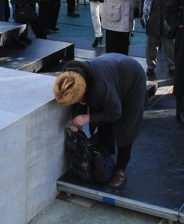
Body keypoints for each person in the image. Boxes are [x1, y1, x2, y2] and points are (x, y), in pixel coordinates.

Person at [54, 54, 147, 189]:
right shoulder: (73, 79)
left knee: (126, 127)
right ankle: (104, 157)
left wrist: (89, 118)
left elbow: (115, 112)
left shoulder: (99, 86)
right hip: (113, 74)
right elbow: (78, 100)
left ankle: (120, 169)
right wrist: (75, 120)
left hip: (132, 79)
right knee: (104, 120)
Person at [141, 0, 182, 77]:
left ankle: (172, 65)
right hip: (152, 13)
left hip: (166, 14)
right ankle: (150, 66)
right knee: (151, 43)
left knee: (168, 42)